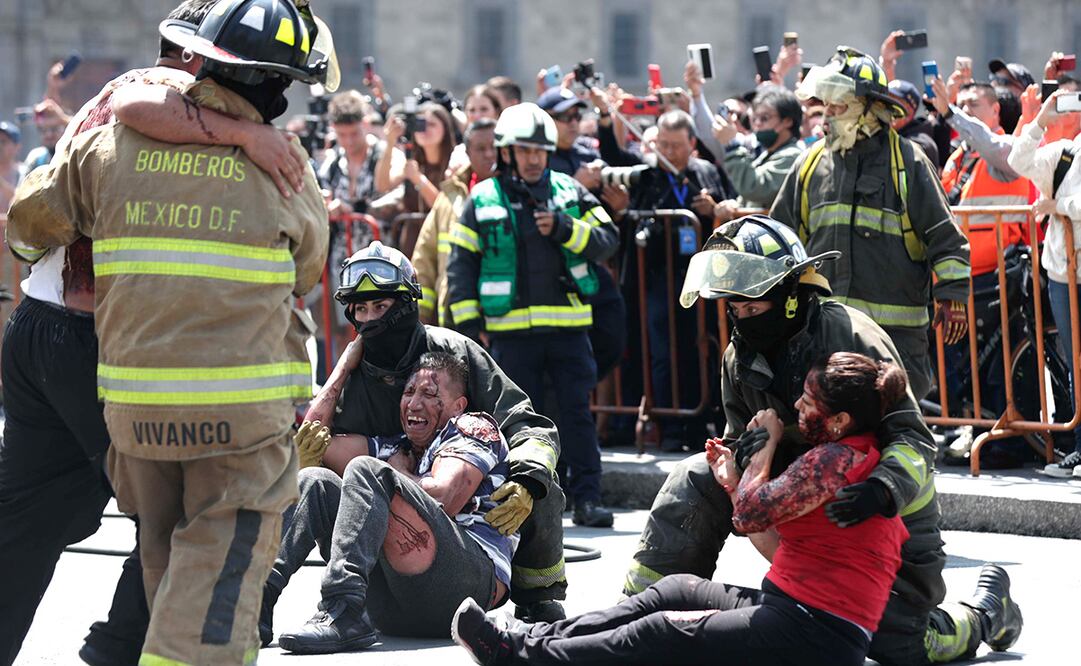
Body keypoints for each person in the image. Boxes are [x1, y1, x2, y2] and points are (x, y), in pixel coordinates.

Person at [6, 1, 331, 663]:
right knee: (190, 525)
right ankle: (122, 651)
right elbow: (307, 268)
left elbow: (29, 221)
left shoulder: (113, 110)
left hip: (43, 338)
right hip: (127, 349)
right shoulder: (275, 161)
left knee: (23, 520)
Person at [624, 215, 1022, 665]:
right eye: (733, 309)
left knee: (900, 645)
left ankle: (986, 614)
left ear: (790, 296)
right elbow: (740, 444)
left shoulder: (849, 336)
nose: (741, 320)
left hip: (877, 508)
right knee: (695, 478)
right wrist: (746, 456)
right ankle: (637, 620)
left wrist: (881, 491)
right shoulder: (740, 358)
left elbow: (911, 439)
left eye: (752, 308)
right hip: (799, 509)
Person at [452, 352, 919, 666]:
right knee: (675, 590)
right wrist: (733, 481)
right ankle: (528, 641)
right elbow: (758, 521)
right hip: (796, 610)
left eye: (809, 402)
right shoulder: (846, 454)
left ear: (838, 421)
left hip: (816, 635)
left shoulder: (834, 461)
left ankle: (515, 654)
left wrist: (766, 444)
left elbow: (754, 514)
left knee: (660, 631)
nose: (796, 406)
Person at [285, 241, 572, 624]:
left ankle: (538, 594)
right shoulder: (355, 375)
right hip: (387, 523)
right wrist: (340, 371)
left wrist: (525, 482)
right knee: (319, 480)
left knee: (542, 483)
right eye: (361, 309)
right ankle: (268, 605)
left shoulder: (455, 355)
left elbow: (527, 425)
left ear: (405, 307)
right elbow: (335, 457)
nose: (370, 319)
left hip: (460, 518)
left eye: (381, 307)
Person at [272, 352, 517, 653]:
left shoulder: (473, 428)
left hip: (463, 592)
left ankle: (342, 609)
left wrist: (396, 471)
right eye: (409, 392)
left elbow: (443, 497)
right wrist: (344, 366)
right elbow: (315, 438)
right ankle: (255, 601)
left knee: (366, 469)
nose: (414, 403)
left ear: (458, 406)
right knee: (315, 480)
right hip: (398, 605)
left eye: (429, 394)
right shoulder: (399, 446)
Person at [446, 103, 619, 527]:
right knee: (518, 423)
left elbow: (608, 239)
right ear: (507, 152)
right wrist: (470, 331)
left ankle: (587, 498)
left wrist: (565, 228)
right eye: (523, 150)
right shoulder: (482, 198)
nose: (533, 158)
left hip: (568, 332)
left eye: (539, 150)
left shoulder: (569, 191)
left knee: (576, 416)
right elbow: (461, 267)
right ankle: (524, 501)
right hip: (510, 337)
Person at [770, 46, 972, 400]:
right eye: (825, 106)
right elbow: (780, 236)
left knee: (893, 424)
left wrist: (953, 295)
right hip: (825, 330)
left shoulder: (908, 162)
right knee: (830, 424)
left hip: (893, 336)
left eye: (839, 106)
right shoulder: (810, 164)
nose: (827, 117)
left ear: (870, 109)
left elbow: (944, 236)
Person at [598, 107, 733, 450]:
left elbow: (731, 206)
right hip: (656, 279)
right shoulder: (646, 175)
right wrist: (604, 117)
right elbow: (612, 158)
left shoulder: (705, 173)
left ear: (692, 144)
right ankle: (670, 427)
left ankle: (710, 423)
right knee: (662, 352)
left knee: (704, 349)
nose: (669, 152)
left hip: (703, 278)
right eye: (663, 144)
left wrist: (713, 209)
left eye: (676, 145)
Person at [1008, 88, 1081, 477]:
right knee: (1075, 363)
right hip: (1062, 274)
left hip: (1069, 271)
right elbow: (1017, 160)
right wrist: (1039, 121)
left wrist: (1059, 206)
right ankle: (1079, 448)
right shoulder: (1064, 153)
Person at [413, 118, 497, 326]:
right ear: (467, 153)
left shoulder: (516, 193)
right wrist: (418, 316)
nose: (489, 154)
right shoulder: (450, 196)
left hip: (502, 313)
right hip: (453, 313)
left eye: (494, 147)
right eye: (480, 148)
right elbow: (425, 257)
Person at [710, 86, 804, 220]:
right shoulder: (767, 155)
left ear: (787, 121)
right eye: (754, 119)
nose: (757, 124)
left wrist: (733, 145)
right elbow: (751, 199)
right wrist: (735, 206)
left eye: (765, 118)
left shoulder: (793, 156)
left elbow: (755, 188)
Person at [376, 101, 456, 212]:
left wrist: (418, 178)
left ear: (445, 129)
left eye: (432, 124)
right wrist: (390, 143)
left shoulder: (455, 162)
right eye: (420, 125)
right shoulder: (412, 161)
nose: (425, 130)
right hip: (412, 228)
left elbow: (444, 208)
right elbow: (382, 186)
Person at [888, 79, 941, 167]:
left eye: (893, 103)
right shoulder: (891, 133)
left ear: (909, 112)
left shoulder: (921, 143)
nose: (886, 107)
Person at [0, 121, 25, 212]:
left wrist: (2, 185)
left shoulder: (24, 172)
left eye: (4, 142)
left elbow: (25, 203)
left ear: (17, 146)